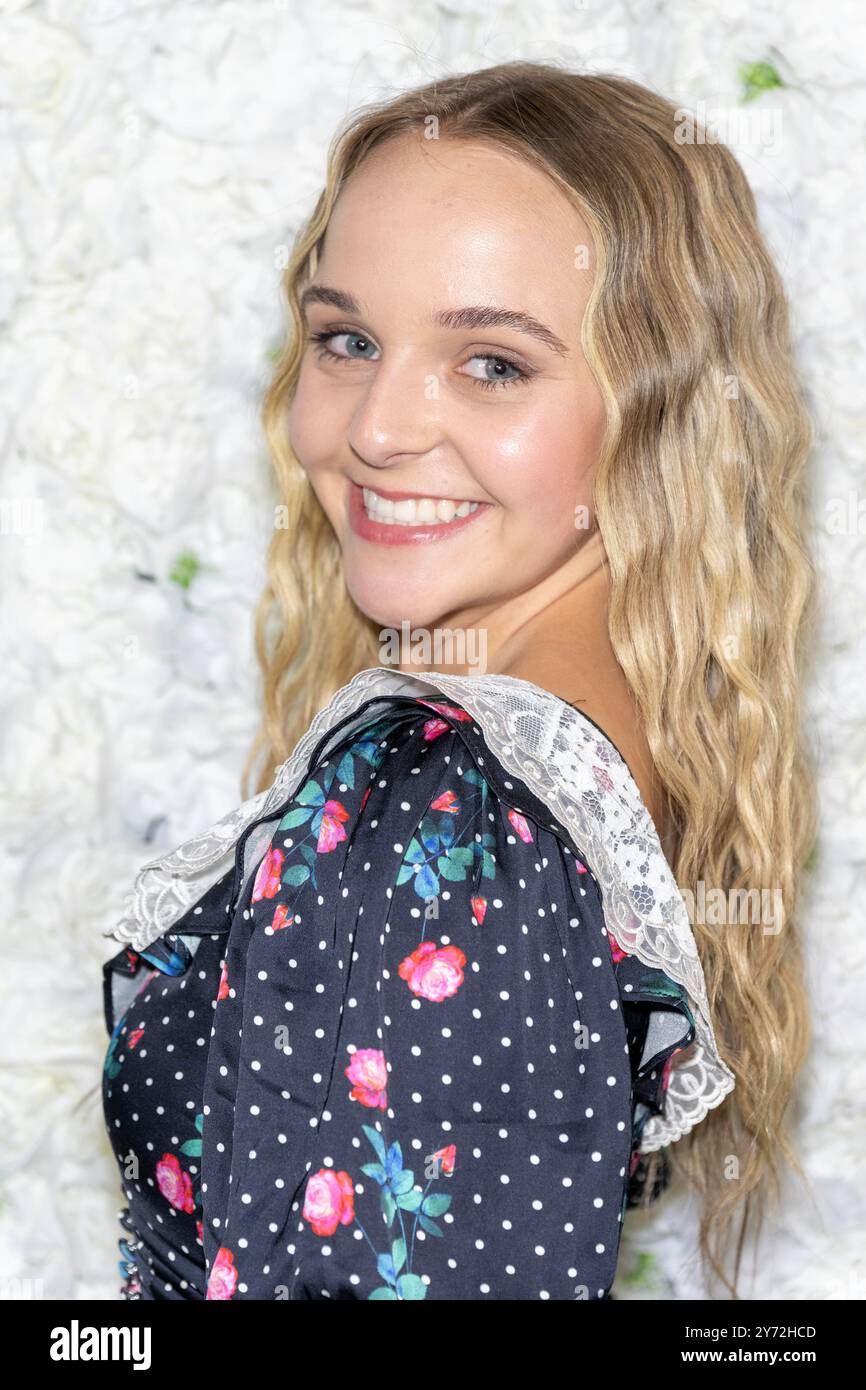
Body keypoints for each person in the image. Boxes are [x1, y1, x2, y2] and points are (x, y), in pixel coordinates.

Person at [101, 61, 817, 1301]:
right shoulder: (572, 759)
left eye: (490, 363)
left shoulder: (450, 812)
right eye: (348, 340)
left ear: (655, 410)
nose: (375, 428)